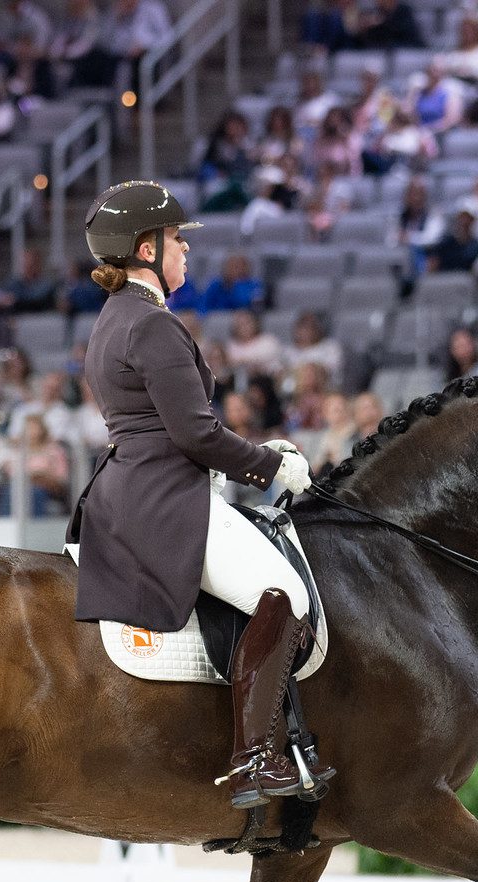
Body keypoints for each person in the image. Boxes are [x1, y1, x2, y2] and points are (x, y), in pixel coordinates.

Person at [72, 180, 327, 806]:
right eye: (178, 239)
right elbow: (194, 433)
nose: (186, 250)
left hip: (127, 491)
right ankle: (253, 758)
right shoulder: (151, 325)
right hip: (162, 501)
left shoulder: (114, 321)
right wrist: (269, 465)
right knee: (286, 595)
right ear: (146, 248)